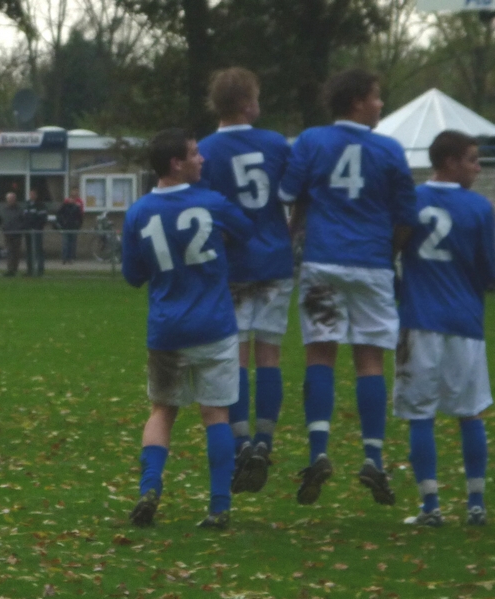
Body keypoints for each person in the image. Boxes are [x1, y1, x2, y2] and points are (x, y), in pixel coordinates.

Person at [278, 68, 416, 506]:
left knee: (320, 353)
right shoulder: (389, 149)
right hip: (371, 264)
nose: (380, 104)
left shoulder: (312, 140)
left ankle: (318, 452)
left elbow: (289, 192)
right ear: (357, 101)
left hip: (322, 261)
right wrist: (387, 252)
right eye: (376, 97)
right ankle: (372, 458)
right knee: (369, 360)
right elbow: (407, 217)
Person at [124, 128, 252, 529]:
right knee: (216, 414)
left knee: (162, 410)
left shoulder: (138, 212)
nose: (203, 159)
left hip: (167, 328)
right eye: (195, 154)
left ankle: (149, 488)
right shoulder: (211, 202)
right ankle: (219, 506)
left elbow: (132, 275)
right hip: (214, 325)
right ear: (176, 163)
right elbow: (245, 231)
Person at [195, 67, 293, 494]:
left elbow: (204, 211)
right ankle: (265, 441)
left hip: (232, 266)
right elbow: (293, 194)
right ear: (247, 104)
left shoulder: (204, 150)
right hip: (273, 259)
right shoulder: (275, 143)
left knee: (234, 359)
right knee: (269, 355)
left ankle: (241, 443)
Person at [394, 131, 494, 527]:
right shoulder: (480, 207)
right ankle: (476, 504)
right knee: (470, 413)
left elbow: (390, 250)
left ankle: (430, 506)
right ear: (450, 162)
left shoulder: (412, 200)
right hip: (465, 322)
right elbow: (489, 271)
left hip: (419, 320)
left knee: (421, 414)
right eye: (472, 160)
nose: (478, 168)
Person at [0, 192, 26, 277]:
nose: (11, 200)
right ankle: (10, 269)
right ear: (7, 200)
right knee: (9, 252)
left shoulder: (20, 209)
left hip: (17, 234)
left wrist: (20, 228)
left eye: (12, 199)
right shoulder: (2, 210)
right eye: (9, 199)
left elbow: (24, 221)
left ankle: (14, 269)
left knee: (16, 252)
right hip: (7, 234)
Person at [56, 188, 84, 264]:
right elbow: (59, 214)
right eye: (72, 197)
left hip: (74, 227)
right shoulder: (65, 205)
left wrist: (78, 225)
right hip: (66, 227)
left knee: (72, 243)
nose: (72, 199)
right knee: (65, 242)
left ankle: (71, 257)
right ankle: (65, 257)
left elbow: (80, 217)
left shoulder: (77, 206)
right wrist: (62, 223)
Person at [24, 189, 47, 276]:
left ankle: (40, 269)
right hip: (28, 231)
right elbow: (23, 217)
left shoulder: (40, 205)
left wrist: (36, 227)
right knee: (29, 250)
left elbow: (42, 218)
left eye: (33, 194)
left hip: (36, 231)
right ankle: (30, 270)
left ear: (36, 195)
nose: (32, 196)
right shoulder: (27, 205)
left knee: (38, 250)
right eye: (30, 194)